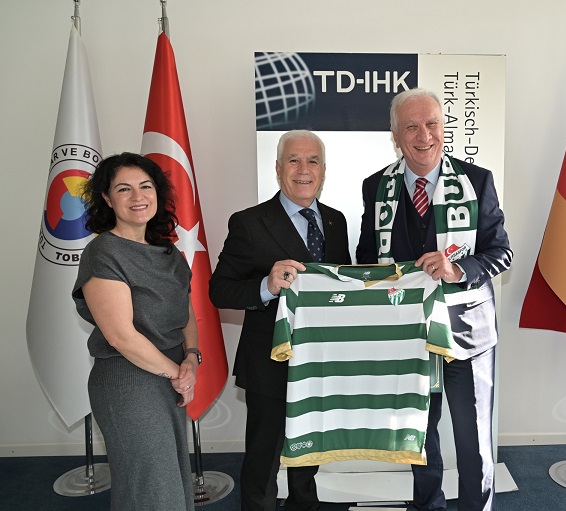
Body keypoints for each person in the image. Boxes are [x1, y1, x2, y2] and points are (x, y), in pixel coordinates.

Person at [357, 88, 513, 511]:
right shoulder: (376, 187)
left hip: (467, 333)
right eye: (411, 127)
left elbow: (501, 252)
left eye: (431, 124)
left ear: (444, 128)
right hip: (407, 335)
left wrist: (456, 270)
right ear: (395, 137)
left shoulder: (477, 181)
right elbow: (366, 257)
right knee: (420, 438)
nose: (423, 136)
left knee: (473, 440)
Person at [209, 130, 351, 511]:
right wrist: (266, 286)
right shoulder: (249, 223)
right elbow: (219, 290)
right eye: (293, 160)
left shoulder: (336, 221)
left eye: (313, 161)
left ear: (324, 170)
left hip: (320, 364)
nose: (304, 169)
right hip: (268, 364)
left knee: (308, 458)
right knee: (263, 463)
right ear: (277, 168)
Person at [72, 152, 199, 511]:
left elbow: (186, 311)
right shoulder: (103, 252)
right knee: (153, 491)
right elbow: (120, 337)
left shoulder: (167, 251)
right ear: (107, 198)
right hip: (127, 384)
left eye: (145, 186)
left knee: (171, 483)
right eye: (124, 189)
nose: (138, 196)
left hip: (169, 378)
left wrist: (191, 358)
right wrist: (178, 374)